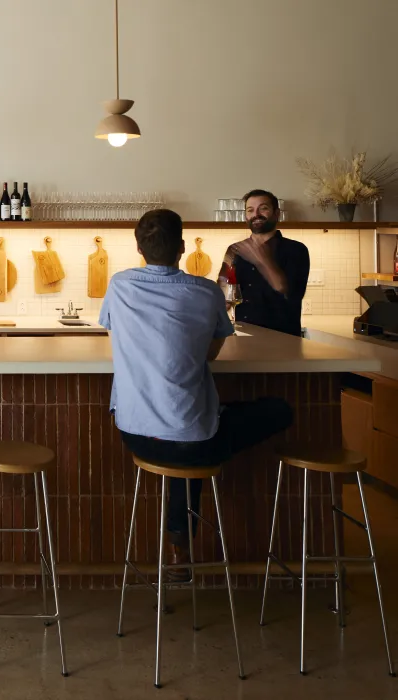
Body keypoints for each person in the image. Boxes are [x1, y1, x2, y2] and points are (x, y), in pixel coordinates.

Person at [100, 209, 292, 579]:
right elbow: (210, 352)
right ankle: (179, 549)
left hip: (135, 433)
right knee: (276, 411)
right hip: (194, 438)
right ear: (183, 247)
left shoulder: (119, 285)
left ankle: (178, 551)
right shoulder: (205, 292)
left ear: (139, 248)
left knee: (187, 435)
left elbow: (115, 334)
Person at [218, 189, 309, 336]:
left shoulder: (296, 250)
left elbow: (290, 294)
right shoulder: (234, 250)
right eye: (250, 210)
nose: (256, 215)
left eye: (263, 208)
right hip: (244, 336)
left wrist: (261, 259)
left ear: (276, 213)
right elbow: (224, 293)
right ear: (246, 216)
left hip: (283, 338)